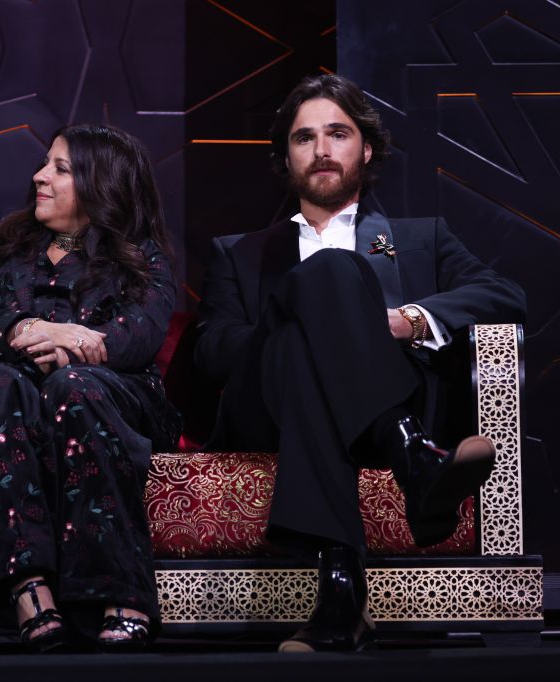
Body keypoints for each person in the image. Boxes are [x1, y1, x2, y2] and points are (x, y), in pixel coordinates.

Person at [194, 73, 525, 652]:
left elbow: (505, 295)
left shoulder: (421, 238)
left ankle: (340, 600)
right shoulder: (239, 252)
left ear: (365, 149)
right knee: (325, 279)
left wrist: (407, 319)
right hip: (265, 412)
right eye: (304, 138)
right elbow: (212, 351)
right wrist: (293, 321)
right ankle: (413, 454)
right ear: (286, 157)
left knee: (331, 284)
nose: (322, 150)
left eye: (338, 134)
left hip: (376, 397)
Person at [0, 124, 182, 652]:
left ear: (99, 184)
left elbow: (139, 335)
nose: (39, 176)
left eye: (60, 168)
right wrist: (27, 329)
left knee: (74, 386)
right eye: (46, 164)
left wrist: (71, 345)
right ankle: (26, 588)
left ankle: (119, 589)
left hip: (106, 397)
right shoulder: (10, 246)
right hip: (3, 401)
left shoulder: (141, 257)